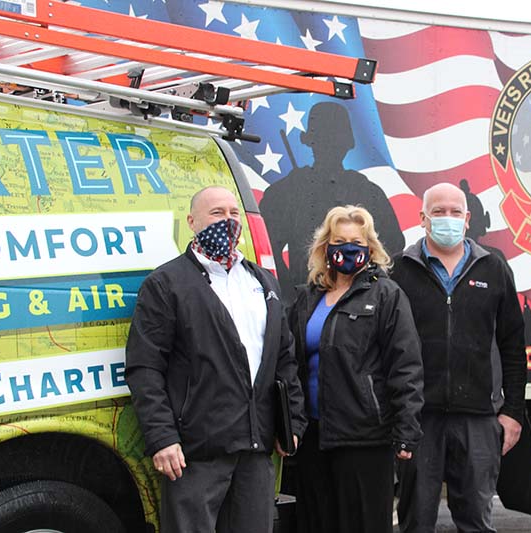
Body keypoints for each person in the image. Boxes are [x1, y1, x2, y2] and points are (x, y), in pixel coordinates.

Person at [125, 186, 306, 533]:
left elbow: (284, 360)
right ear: (192, 222)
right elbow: (145, 367)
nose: (228, 221)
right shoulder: (166, 284)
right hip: (196, 454)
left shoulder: (262, 281)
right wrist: (162, 437)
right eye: (216, 214)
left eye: (233, 213)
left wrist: (292, 424)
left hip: (256, 451)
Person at [391, 183, 527, 533]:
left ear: (467, 220)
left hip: (479, 420)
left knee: (475, 522)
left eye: (455, 212)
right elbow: (386, 348)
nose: (447, 219)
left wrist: (512, 412)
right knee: (415, 521)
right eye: (438, 212)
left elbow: (512, 344)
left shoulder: (494, 268)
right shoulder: (399, 270)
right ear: (422, 219)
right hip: (419, 419)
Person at [289, 205, 423, 533]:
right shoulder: (308, 298)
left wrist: (407, 430)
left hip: (364, 438)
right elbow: (290, 365)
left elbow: (405, 366)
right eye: (339, 240)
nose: (348, 248)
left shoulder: (386, 295)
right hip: (313, 438)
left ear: (369, 248)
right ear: (325, 246)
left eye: (356, 242)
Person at [260, 102, 404, 298]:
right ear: (311, 142)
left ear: (347, 144)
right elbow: (267, 249)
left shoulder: (368, 192)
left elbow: (393, 247)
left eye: (335, 140)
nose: (330, 146)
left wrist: (367, 288)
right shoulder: (286, 192)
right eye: (324, 139)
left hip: (360, 304)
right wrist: (291, 295)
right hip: (305, 303)